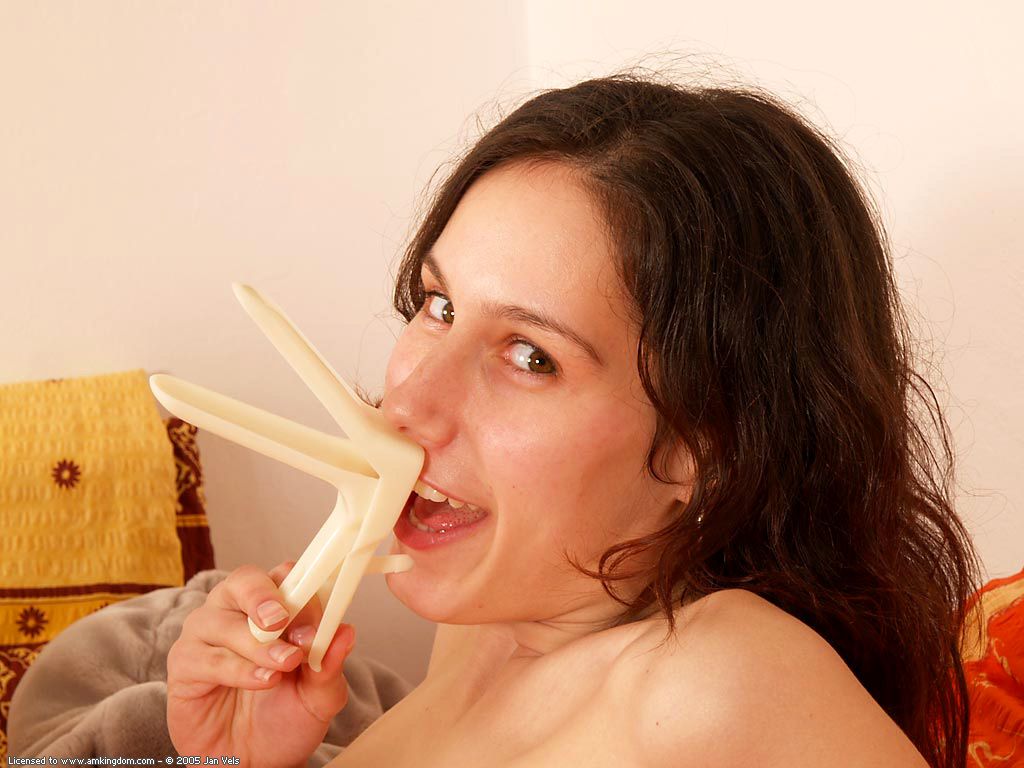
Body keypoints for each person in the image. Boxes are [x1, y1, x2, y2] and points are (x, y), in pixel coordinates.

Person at [165, 72, 982, 768]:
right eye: (440, 306)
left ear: (708, 445)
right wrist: (230, 758)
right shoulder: (489, 629)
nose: (407, 404)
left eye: (531, 356)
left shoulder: (721, 677)